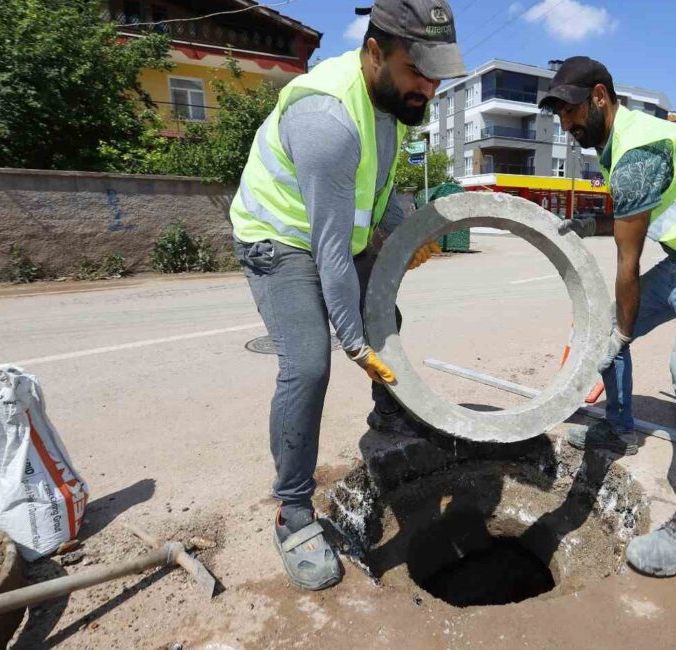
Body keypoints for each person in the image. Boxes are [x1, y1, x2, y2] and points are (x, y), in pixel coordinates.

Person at [229, 0, 465, 591]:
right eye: (418, 72)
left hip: (336, 233)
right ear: (374, 52)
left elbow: (370, 198)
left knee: (388, 317)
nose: (428, 89)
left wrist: (394, 236)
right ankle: (294, 512)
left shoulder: (388, 105)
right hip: (279, 238)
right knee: (310, 365)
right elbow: (330, 253)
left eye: (437, 76)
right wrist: (354, 343)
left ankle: (390, 421)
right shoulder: (327, 119)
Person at [539, 57, 676, 578]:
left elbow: (628, 262)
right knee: (602, 329)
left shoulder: (638, 151)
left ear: (600, 96)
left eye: (571, 112)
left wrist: (622, 331)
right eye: (560, 117)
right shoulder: (615, 146)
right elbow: (635, 213)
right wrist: (589, 223)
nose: (567, 126)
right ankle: (618, 427)